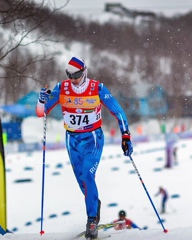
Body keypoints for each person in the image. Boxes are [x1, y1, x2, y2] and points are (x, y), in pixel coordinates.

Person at [36, 56, 133, 239]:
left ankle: (91, 220)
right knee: (82, 181)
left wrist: (125, 136)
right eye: (69, 75)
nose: (73, 79)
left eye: (77, 75)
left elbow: (118, 111)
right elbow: (41, 113)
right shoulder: (61, 88)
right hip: (72, 140)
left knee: (88, 175)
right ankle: (94, 204)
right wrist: (41, 101)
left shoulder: (97, 88)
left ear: (85, 72)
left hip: (92, 138)